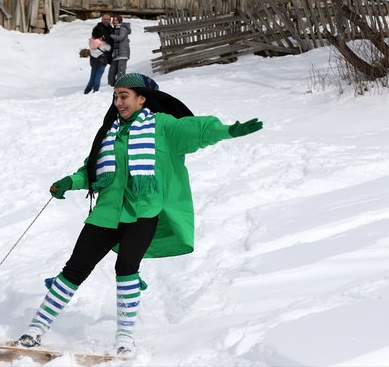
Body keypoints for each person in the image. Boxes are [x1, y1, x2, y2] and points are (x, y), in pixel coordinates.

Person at [16, 73, 263, 356]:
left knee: (126, 268)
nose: (118, 102)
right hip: (106, 214)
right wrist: (70, 182)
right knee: (74, 269)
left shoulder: (162, 127)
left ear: (141, 98)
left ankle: (124, 338)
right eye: (116, 96)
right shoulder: (108, 133)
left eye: (124, 96)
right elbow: (92, 170)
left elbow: (194, 130)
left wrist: (227, 130)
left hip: (143, 213)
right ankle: (35, 329)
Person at [84, 28, 111, 94]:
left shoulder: (91, 41)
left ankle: (87, 90)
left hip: (93, 61)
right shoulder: (102, 43)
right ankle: (95, 90)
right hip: (101, 62)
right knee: (98, 76)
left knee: (92, 76)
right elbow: (109, 48)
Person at [107, 14, 131, 86]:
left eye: (116, 20)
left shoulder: (123, 28)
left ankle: (121, 84)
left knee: (121, 70)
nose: (114, 21)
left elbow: (121, 38)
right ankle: (111, 84)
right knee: (112, 70)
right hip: (116, 53)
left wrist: (110, 35)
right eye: (113, 20)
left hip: (123, 52)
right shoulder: (115, 29)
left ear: (120, 21)